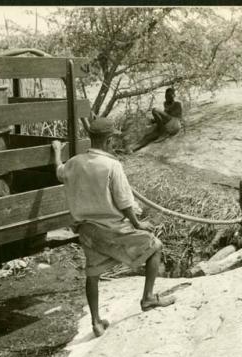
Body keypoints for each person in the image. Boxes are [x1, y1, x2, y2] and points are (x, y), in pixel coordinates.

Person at [52, 117, 176, 338]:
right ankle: (148, 298)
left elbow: (59, 171)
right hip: (112, 228)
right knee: (155, 246)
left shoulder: (74, 162)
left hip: (87, 230)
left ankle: (96, 322)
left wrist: (56, 151)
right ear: (109, 140)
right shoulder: (112, 165)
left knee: (93, 273)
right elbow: (125, 202)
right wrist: (138, 223)